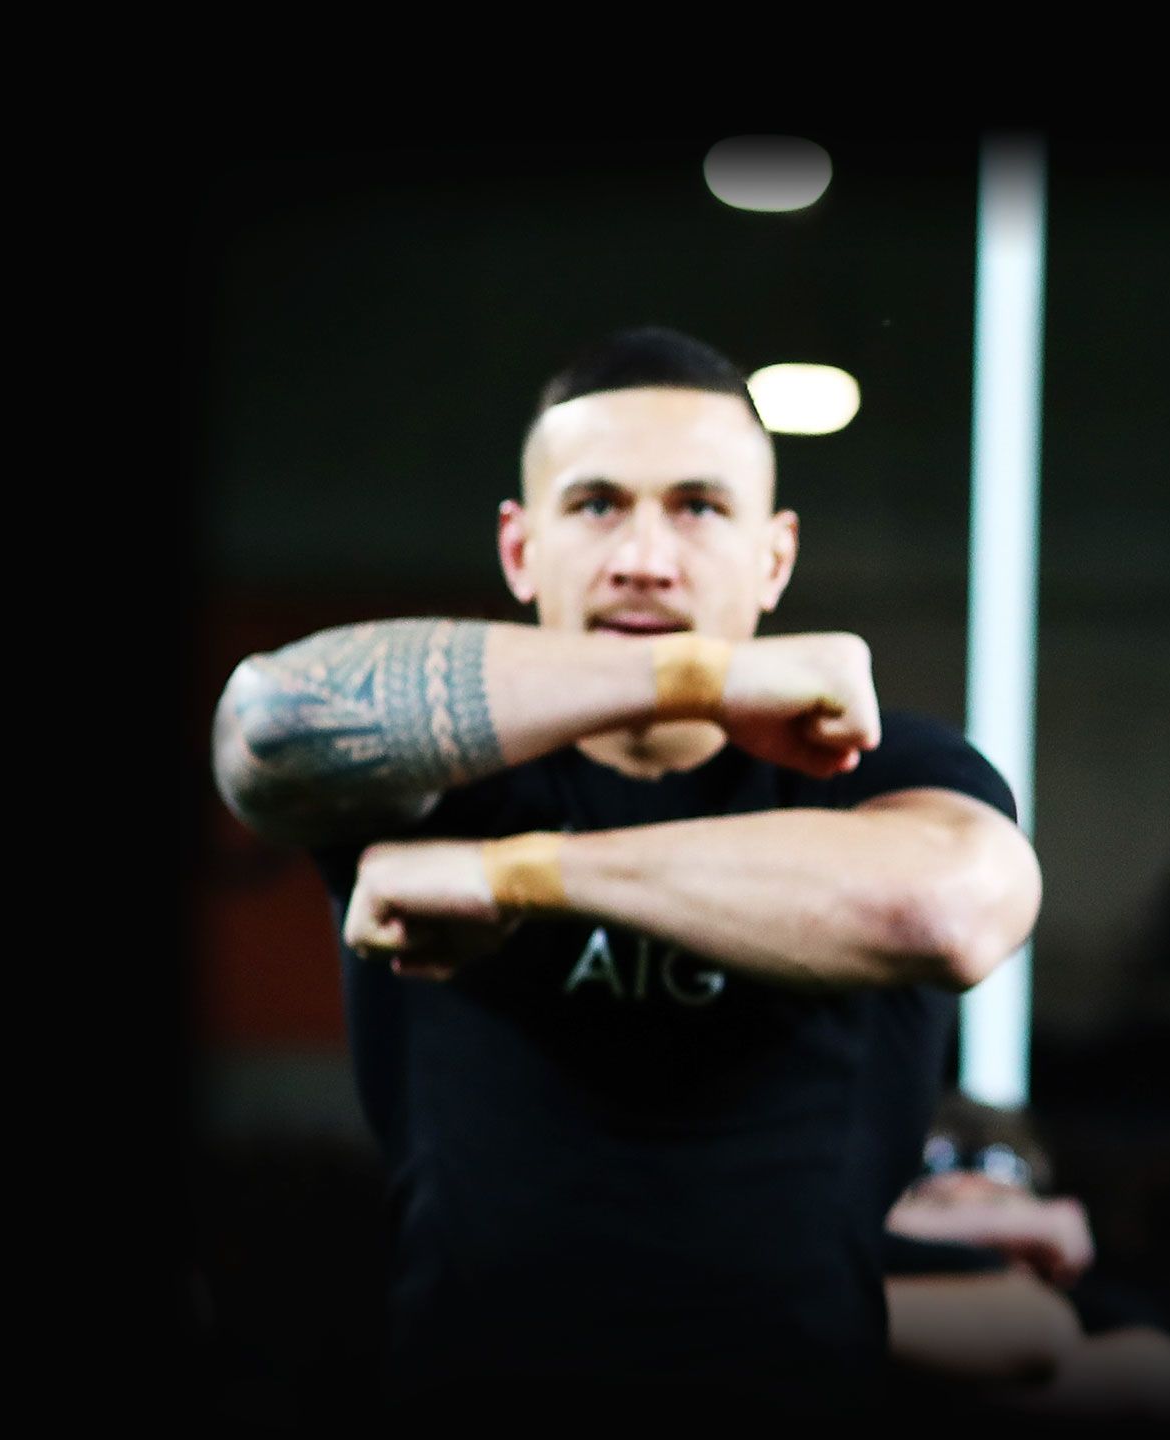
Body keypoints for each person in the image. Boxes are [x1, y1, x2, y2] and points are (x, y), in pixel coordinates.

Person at [208, 327, 1042, 1421]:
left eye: (698, 507)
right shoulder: (440, 781)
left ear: (774, 558)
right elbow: (266, 729)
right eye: (597, 504)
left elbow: (951, 907)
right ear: (520, 549)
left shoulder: (884, 765)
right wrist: (696, 672)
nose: (644, 556)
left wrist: (521, 878)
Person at [880, 1097, 1170, 1419]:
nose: (975, 1248)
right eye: (942, 1208)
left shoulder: (1083, 1314)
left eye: (996, 1205)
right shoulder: (867, 1284)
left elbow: (1156, 1371)